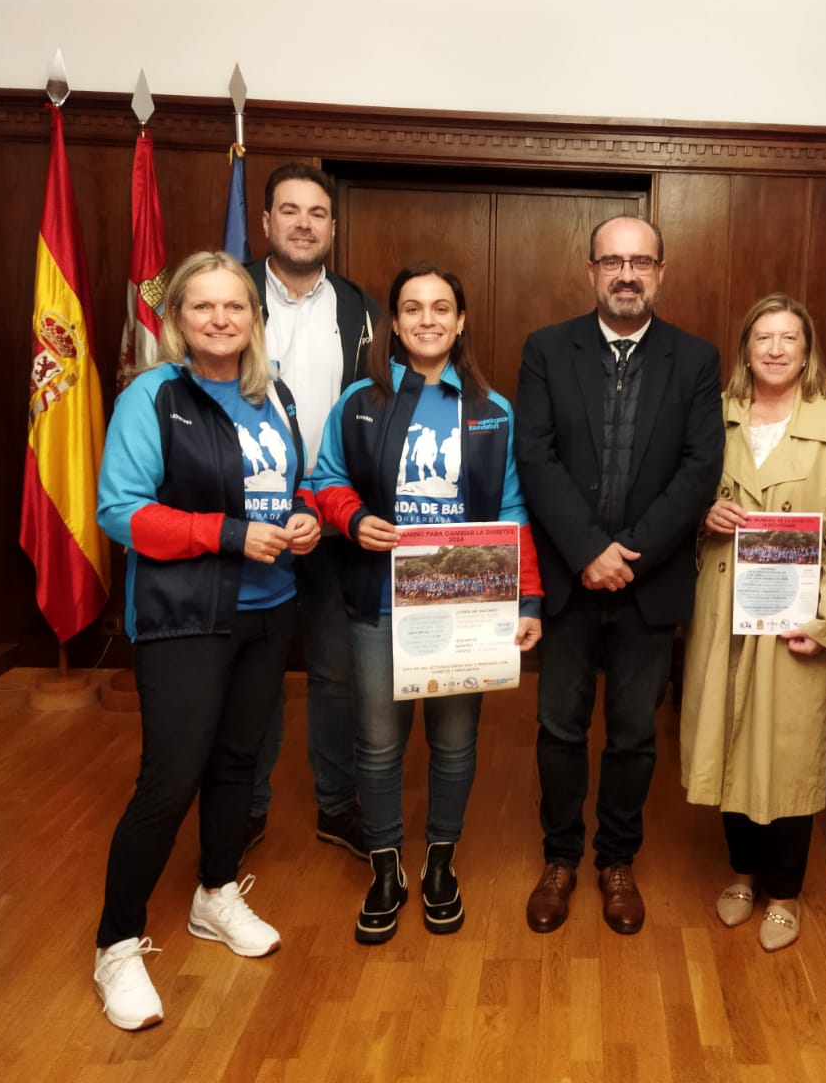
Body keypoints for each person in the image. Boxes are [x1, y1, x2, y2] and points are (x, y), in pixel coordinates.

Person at [93, 250, 321, 1031]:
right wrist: (228, 533)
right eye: (204, 308)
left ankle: (214, 893)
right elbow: (120, 512)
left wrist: (305, 519)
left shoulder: (274, 392)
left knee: (238, 763)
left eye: (236, 307)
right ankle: (116, 944)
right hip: (186, 615)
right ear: (178, 319)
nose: (221, 320)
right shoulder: (151, 397)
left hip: (272, 606)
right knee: (171, 778)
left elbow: (287, 488)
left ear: (255, 319)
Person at [312, 264, 543, 944]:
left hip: (465, 601)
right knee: (379, 746)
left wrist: (526, 601)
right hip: (377, 601)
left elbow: (513, 510)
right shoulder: (360, 400)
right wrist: (353, 519)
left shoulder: (493, 411)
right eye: (412, 308)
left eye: (442, 307)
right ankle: (387, 870)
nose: (427, 319)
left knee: (453, 742)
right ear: (396, 321)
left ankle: (440, 863)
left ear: (461, 320)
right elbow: (323, 479)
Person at [515, 214, 723, 935]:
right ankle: (561, 858)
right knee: (559, 729)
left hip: (649, 582)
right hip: (571, 581)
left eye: (640, 262)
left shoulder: (695, 359)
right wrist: (587, 552)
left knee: (634, 734)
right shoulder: (546, 350)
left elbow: (701, 470)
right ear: (592, 270)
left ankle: (617, 860)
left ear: (661, 272)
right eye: (612, 261)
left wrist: (628, 552)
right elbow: (534, 459)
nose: (626, 273)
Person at [680, 294, 826, 952]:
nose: (776, 348)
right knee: (729, 739)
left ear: (807, 348)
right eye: (763, 336)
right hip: (722, 606)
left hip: (795, 616)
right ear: (745, 348)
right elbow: (677, 494)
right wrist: (703, 515)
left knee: (786, 749)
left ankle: (784, 892)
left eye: (790, 336)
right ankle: (742, 871)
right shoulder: (716, 416)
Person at [245, 163, 379, 862]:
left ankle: (337, 804)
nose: (303, 223)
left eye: (317, 212)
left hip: (332, 517)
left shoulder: (360, 307)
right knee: (257, 670)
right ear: (265, 222)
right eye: (289, 210)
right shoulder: (229, 295)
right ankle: (246, 809)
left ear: (332, 225)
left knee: (335, 671)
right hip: (249, 523)